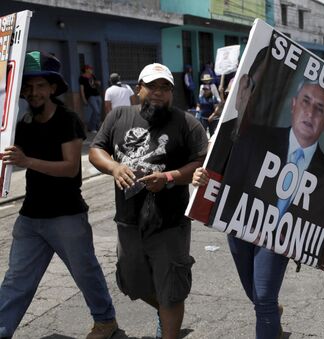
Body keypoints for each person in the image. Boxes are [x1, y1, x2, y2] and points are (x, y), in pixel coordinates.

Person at [197, 80, 324, 339]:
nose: (310, 112)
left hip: (279, 236)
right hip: (239, 223)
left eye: (319, 108)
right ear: (293, 105)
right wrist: (201, 176)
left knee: (263, 298)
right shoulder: (252, 136)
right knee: (256, 294)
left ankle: (269, 315)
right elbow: (215, 170)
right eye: (306, 102)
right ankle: (272, 316)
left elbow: (322, 222)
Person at [0, 51, 117, 339]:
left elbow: (69, 168)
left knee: (85, 273)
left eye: (40, 85)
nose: (33, 92)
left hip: (67, 215)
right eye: (28, 86)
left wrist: (27, 162)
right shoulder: (23, 122)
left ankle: (106, 321)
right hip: (30, 216)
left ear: (53, 88)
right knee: (16, 281)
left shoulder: (68, 119)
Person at [89, 63, 208, 339]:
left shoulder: (187, 123)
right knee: (132, 284)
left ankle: (169, 328)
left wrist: (167, 178)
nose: (158, 92)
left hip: (170, 224)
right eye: (152, 86)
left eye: (165, 87)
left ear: (172, 93)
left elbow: (202, 163)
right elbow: (96, 149)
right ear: (138, 88)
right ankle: (166, 311)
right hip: (128, 222)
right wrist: (115, 168)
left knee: (171, 289)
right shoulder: (118, 117)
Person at [79, 64, 102, 132]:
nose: (91, 70)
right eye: (90, 69)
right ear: (86, 69)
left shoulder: (92, 76)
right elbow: (82, 89)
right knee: (96, 111)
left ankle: (97, 127)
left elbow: (95, 84)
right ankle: (92, 128)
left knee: (98, 112)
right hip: (90, 96)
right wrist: (84, 99)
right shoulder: (82, 78)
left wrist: (98, 83)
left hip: (97, 95)